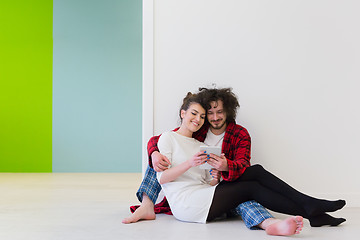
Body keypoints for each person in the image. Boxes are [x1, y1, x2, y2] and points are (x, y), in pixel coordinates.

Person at [123, 88, 346, 232]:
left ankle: (305, 211)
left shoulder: (239, 134)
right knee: (252, 185)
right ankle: (310, 207)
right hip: (196, 199)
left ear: (228, 112)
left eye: (217, 112)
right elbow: (161, 141)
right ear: (184, 113)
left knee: (253, 179)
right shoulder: (195, 134)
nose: (211, 118)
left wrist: (222, 169)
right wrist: (153, 152)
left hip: (219, 187)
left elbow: (238, 168)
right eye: (206, 113)